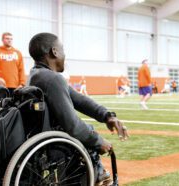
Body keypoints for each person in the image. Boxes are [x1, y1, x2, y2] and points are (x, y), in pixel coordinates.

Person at [28, 33, 128, 186]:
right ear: (54, 52)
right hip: (53, 147)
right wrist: (98, 141)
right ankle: (98, 175)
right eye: (63, 49)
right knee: (88, 132)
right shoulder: (53, 79)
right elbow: (73, 126)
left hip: (41, 141)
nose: (64, 54)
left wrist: (107, 115)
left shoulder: (36, 75)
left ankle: (97, 174)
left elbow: (79, 99)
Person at [0, 32, 25, 114]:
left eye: (11, 39)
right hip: (0, 87)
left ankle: (9, 126)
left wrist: (22, 83)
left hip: (15, 87)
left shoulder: (18, 53)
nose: (9, 40)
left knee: (12, 110)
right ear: (2, 39)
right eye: (7, 38)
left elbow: (21, 69)